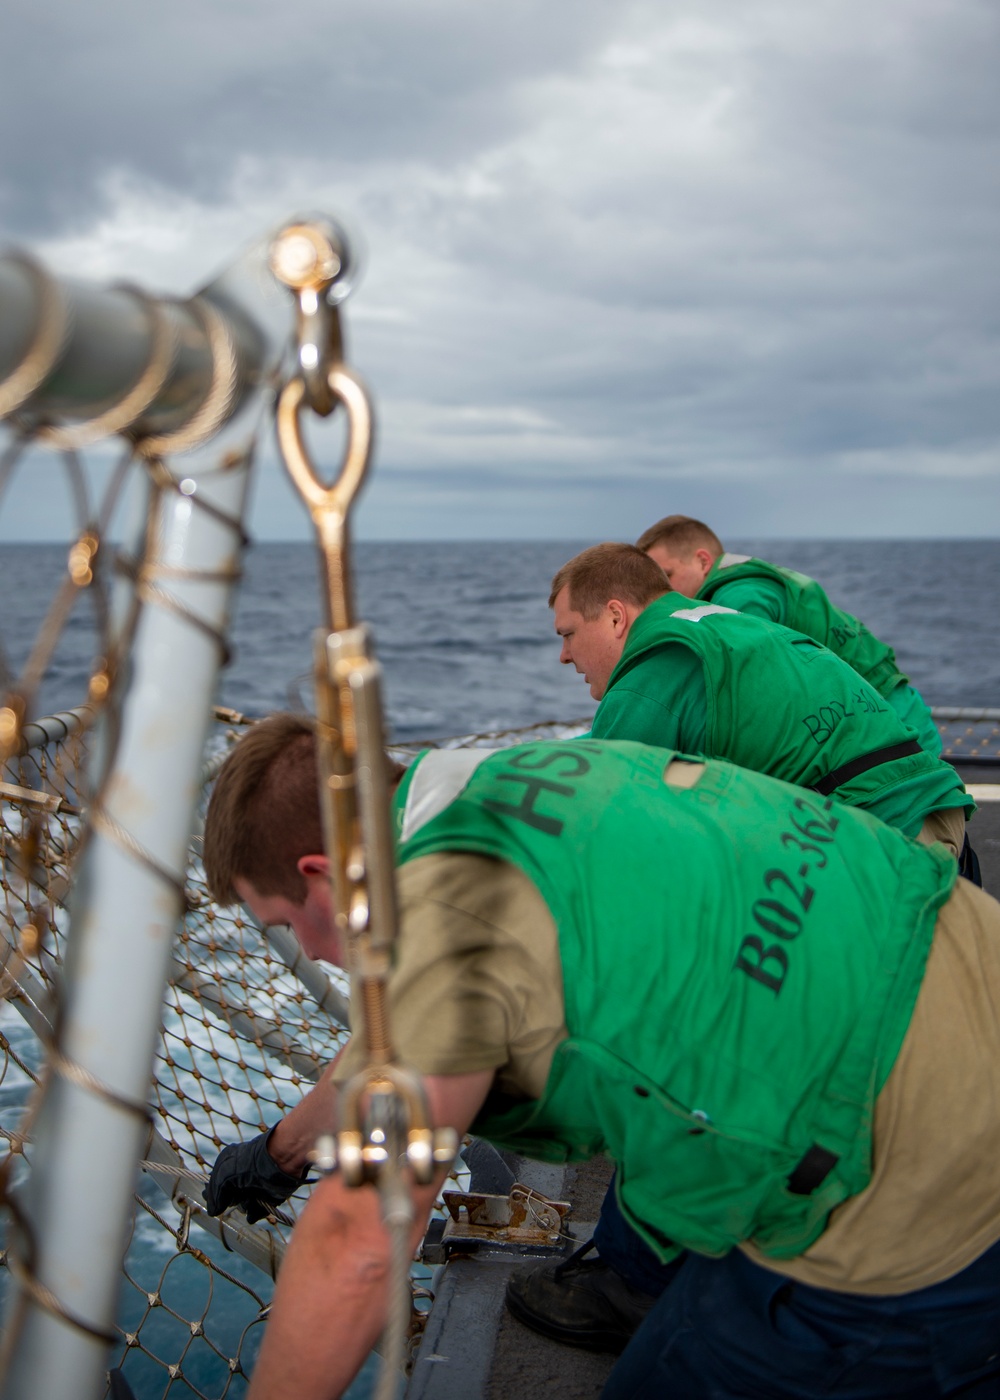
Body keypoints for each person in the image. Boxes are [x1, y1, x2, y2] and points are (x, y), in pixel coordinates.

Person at [202, 715, 1000, 1399]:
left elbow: (356, 1242)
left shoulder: (442, 920)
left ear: (322, 874)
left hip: (929, 1173)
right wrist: (285, 1151)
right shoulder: (511, 779)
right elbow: (408, 1029)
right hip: (961, 964)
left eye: (285, 922)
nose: (306, 950)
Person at [549, 542, 973, 857]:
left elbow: (594, 805)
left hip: (888, 839)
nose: (565, 656)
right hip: (936, 805)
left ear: (616, 617)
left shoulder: (653, 669)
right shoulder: (726, 623)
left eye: (568, 634)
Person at [635, 513, 943, 757]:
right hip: (887, 713)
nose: (661, 593)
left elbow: (739, 689)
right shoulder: (749, 577)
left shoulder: (740, 597)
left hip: (889, 725)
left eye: (667, 576)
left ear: (702, 560)